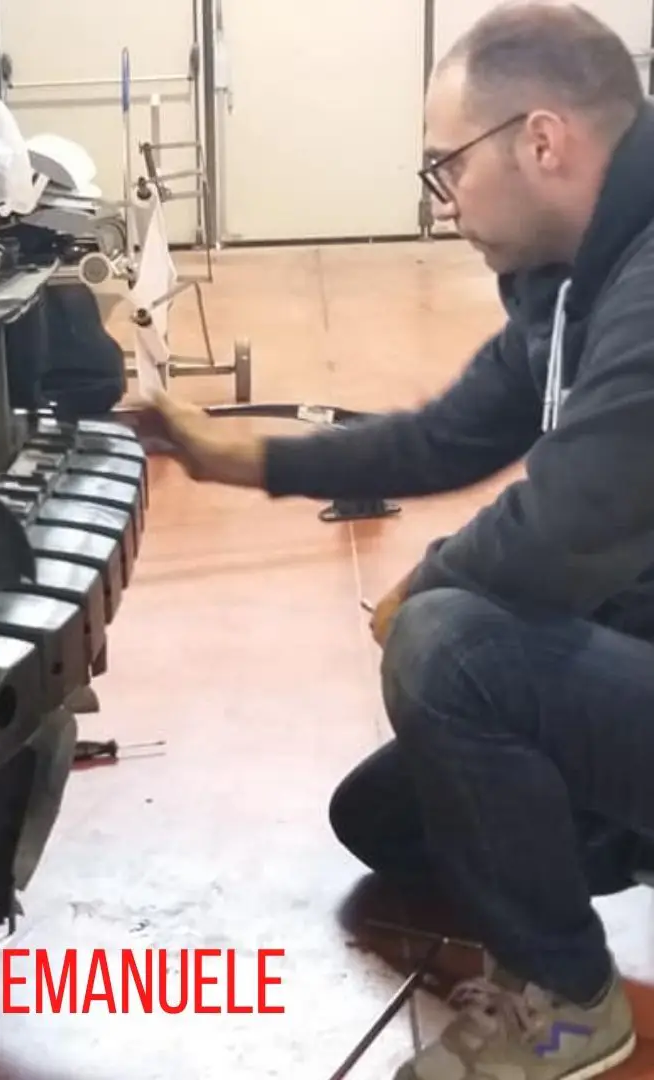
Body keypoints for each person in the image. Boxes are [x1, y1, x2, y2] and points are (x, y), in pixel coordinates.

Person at [146, 3, 654, 1077]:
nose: (442, 200)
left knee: (449, 648)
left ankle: (570, 1005)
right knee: (388, 819)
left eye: (447, 166)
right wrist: (231, 455)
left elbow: (567, 528)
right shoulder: (581, 278)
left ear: (542, 140)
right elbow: (446, 435)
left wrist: (424, 583)